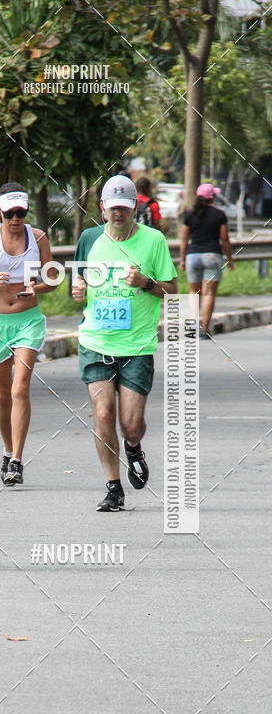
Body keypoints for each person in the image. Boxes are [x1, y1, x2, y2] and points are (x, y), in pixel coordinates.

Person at [72, 174, 178, 512]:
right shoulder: (89, 238)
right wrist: (78, 290)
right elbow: (79, 279)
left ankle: (133, 447)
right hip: (96, 341)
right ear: (102, 208)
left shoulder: (153, 240)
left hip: (137, 346)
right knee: (103, 413)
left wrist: (146, 282)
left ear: (134, 209)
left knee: (130, 425)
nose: (118, 213)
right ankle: (113, 487)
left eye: (125, 208)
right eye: (113, 207)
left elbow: (172, 291)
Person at [0, 182, 57, 486]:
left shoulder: (38, 237)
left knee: (21, 388)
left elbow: (53, 277)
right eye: (10, 213)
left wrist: (37, 288)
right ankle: (7, 451)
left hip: (27, 321)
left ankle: (17, 460)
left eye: (21, 212)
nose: (16, 219)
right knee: (3, 394)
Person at [179, 183, 234, 339]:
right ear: (213, 197)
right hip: (213, 256)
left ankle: (191, 329)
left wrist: (182, 260)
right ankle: (204, 330)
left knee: (193, 292)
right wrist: (230, 259)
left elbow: (184, 240)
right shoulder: (220, 214)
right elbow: (224, 239)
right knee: (209, 293)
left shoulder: (189, 215)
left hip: (193, 256)